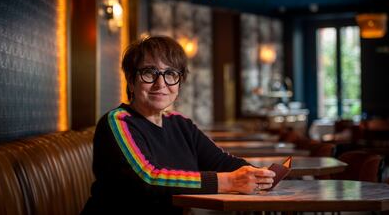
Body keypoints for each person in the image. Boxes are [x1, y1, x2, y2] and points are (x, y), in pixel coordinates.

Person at [81, 36, 275, 214]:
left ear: (179, 82)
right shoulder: (118, 121)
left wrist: (257, 175)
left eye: (171, 74)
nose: (161, 84)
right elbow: (148, 178)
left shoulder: (180, 123)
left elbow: (220, 161)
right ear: (131, 81)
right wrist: (229, 181)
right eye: (149, 73)